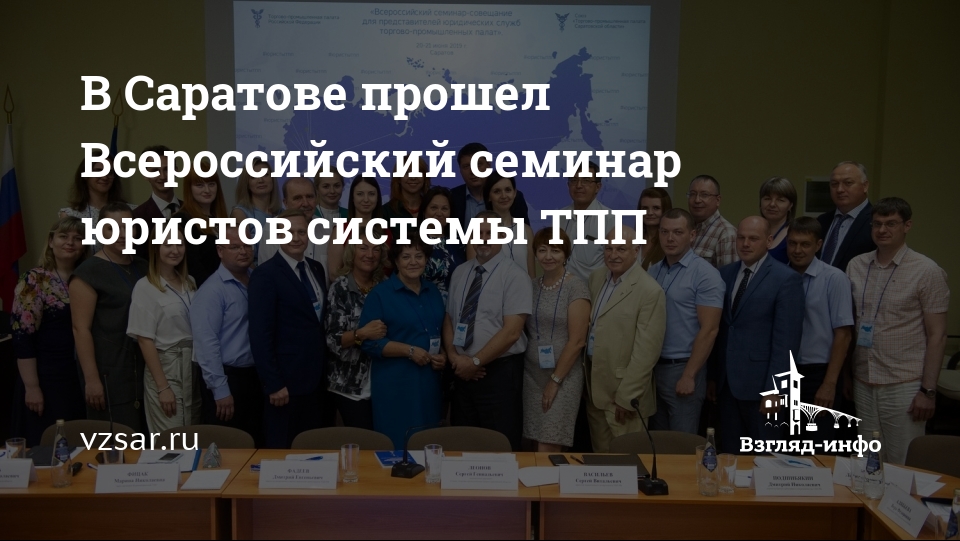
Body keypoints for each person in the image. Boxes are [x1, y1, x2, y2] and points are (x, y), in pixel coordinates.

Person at [847, 197, 949, 465]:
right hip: (863, 379)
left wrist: (928, 391)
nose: (882, 230)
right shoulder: (856, 265)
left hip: (904, 383)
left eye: (891, 224)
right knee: (867, 461)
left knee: (903, 462)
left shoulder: (927, 271)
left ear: (907, 226)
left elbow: (937, 336)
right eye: (877, 224)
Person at [710, 216, 804, 453]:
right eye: (741, 238)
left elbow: (787, 342)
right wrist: (713, 377)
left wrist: (776, 390)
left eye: (753, 238)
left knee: (765, 458)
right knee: (730, 455)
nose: (745, 244)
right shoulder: (724, 274)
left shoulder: (786, 279)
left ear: (769, 241)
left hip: (762, 388)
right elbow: (721, 330)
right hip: (727, 386)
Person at [444, 211, 532, 450]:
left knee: (499, 445)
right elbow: (450, 319)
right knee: (464, 445)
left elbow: (512, 332)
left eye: (489, 233)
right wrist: (454, 358)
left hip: (499, 374)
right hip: (462, 373)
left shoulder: (515, 276)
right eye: (478, 233)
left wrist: (475, 362)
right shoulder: (460, 272)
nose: (483, 238)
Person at [249, 209, 327, 448]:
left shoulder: (316, 268)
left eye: (301, 232)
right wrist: (273, 383)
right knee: (282, 452)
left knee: (314, 450)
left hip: (316, 382)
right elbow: (260, 334)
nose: (295, 237)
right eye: (288, 232)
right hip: (284, 385)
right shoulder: (265, 275)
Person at [360, 238, 446, 448]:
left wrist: (443, 354)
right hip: (396, 386)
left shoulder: (433, 291)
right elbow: (369, 343)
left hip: (429, 383)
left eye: (419, 256)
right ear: (396, 262)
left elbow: (438, 331)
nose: (413, 262)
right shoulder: (380, 295)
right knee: (397, 448)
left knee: (428, 445)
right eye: (406, 257)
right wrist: (409, 350)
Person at [586, 226, 666, 453]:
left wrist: (627, 396)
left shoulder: (649, 291)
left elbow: (647, 352)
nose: (613, 255)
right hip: (595, 391)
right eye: (609, 248)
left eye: (621, 249)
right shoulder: (596, 278)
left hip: (623, 396)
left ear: (636, 251)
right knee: (601, 463)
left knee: (629, 464)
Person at [70, 202, 150, 432]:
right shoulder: (88, 272)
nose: (122, 234)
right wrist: (92, 380)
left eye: (128, 226)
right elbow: (80, 329)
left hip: (144, 370)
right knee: (119, 443)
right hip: (109, 374)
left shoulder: (143, 267)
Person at [11, 217, 89, 446]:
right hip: (44, 378)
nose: (70, 242)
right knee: (46, 446)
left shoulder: (87, 278)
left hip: (76, 377)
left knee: (77, 445)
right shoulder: (34, 280)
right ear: (51, 241)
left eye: (77, 238)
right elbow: (22, 337)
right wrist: (32, 387)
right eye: (64, 236)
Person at [647, 209, 724, 434]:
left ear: (692, 235)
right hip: (653, 368)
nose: (670, 238)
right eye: (664, 232)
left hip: (683, 368)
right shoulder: (653, 271)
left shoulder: (706, 274)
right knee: (657, 443)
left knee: (681, 445)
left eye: (678, 232)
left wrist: (689, 375)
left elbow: (710, 330)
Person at [191, 227, 264, 446]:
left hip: (255, 377)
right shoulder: (211, 290)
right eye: (234, 247)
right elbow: (206, 344)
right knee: (229, 446)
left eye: (247, 245)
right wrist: (220, 390)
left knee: (256, 443)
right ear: (220, 251)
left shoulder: (257, 280)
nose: (243, 251)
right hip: (228, 379)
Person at [522, 228, 590, 452]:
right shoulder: (532, 286)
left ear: (566, 254)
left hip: (563, 378)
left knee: (548, 444)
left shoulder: (576, 287)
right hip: (532, 377)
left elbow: (577, 341)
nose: (548, 256)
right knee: (533, 442)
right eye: (542, 250)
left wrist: (555, 381)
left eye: (555, 250)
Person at [786, 217, 853, 442]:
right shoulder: (780, 277)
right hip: (785, 374)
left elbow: (843, 335)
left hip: (819, 374)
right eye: (792, 243)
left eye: (805, 244)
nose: (797, 250)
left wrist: (829, 384)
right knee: (785, 446)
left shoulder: (834, 278)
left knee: (818, 446)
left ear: (818, 245)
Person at [127, 237, 200, 433]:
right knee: (172, 437)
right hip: (166, 367)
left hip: (192, 366)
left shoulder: (190, 282)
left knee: (192, 433)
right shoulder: (145, 287)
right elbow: (144, 339)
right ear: (155, 248)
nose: (175, 250)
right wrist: (163, 387)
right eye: (168, 245)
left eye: (179, 244)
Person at [325, 235, 388, 430]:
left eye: (376, 249)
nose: (370, 254)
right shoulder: (340, 288)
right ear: (352, 253)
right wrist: (361, 334)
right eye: (363, 248)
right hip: (349, 385)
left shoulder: (386, 286)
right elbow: (332, 340)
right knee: (363, 441)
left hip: (382, 382)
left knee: (384, 441)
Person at [465, 175, 535, 278]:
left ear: (514, 193)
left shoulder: (526, 230)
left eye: (508, 190)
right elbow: (473, 274)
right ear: (488, 196)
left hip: (522, 287)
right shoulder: (477, 230)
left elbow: (531, 275)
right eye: (497, 191)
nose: (503, 196)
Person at [257, 177, 324, 280]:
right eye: (298, 198)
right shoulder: (272, 228)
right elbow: (268, 275)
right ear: (285, 203)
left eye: (310, 197)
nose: (305, 203)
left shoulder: (326, 227)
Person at [450, 142, 530, 228]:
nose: (473, 171)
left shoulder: (513, 197)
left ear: (488, 165)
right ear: (460, 170)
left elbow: (524, 231)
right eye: (466, 166)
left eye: (478, 164)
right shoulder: (451, 197)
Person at [173, 168, 228, 287]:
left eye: (211, 184)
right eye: (199, 185)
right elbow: (193, 267)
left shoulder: (221, 219)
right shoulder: (182, 220)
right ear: (189, 188)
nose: (207, 190)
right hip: (203, 290)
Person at [818, 161, 876, 272]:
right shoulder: (822, 221)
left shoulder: (876, 222)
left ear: (865, 186)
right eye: (834, 184)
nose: (840, 189)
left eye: (848, 183)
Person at [327, 176, 389, 279]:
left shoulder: (386, 232)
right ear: (352, 197)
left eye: (371, 194)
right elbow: (334, 273)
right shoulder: (341, 231)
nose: (366, 199)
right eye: (360, 194)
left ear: (378, 197)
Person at [558, 162, 610, 283]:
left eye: (586, 181)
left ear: (598, 187)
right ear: (568, 185)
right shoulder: (561, 215)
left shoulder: (609, 218)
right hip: (561, 287)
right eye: (574, 180)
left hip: (592, 289)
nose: (579, 185)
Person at [418, 186, 466, 303]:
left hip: (455, 307)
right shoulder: (413, 242)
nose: (439, 213)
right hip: (422, 306)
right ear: (424, 211)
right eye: (434, 208)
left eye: (444, 209)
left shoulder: (460, 243)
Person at [231, 158, 280, 265]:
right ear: (247, 183)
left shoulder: (282, 213)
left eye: (265, 175)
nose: (261, 180)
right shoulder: (240, 213)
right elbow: (242, 256)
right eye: (254, 176)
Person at [687, 175, 738, 269]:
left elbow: (728, 276)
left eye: (704, 195)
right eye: (692, 194)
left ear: (718, 200)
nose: (697, 200)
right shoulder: (686, 228)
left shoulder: (726, 233)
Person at [60, 157, 133, 222]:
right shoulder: (70, 215)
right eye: (98, 171)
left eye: (110, 172)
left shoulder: (131, 211)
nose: (105, 177)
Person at [383, 157, 431, 234]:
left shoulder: (434, 210)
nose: (413, 177)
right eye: (407, 173)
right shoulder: (385, 212)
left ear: (425, 178)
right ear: (398, 179)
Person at [758, 177, 797, 264]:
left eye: (780, 200)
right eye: (767, 199)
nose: (772, 204)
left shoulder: (795, 233)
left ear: (790, 205)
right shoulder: (751, 231)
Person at [638, 186, 672, 269]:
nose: (650, 213)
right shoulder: (632, 239)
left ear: (665, 210)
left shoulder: (671, 241)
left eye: (656, 208)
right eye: (645, 208)